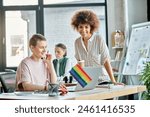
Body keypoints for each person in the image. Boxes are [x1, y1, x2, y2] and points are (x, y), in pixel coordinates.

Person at [71, 9, 124, 85]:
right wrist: (80, 82)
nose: (83, 30)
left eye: (86, 27)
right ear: (77, 27)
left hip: (102, 80)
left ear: (91, 27)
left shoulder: (98, 39)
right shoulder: (77, 42)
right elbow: (80, 64)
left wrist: (113, 81)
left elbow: (105, 61)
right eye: (81, 27)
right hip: (87, 82)